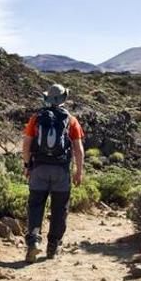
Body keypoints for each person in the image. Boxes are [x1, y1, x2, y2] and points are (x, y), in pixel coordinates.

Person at [21, 83, 85, 263]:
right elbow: (78, 149)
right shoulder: (71, 120)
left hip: (39, 169)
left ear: (47, 98)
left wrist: (27, 165)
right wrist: (78, 171)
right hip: (61, 172)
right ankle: (52, 246)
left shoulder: (36, 118)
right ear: (64, 98)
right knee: (59, 209)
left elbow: (26, 144)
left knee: (35, 206)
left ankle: (33, 240)